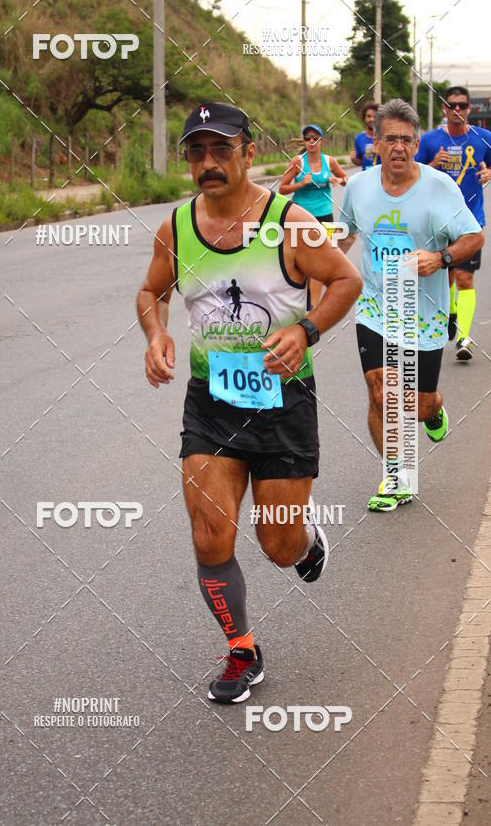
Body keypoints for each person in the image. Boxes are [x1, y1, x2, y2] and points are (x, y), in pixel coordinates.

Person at [137, 102, 362, 703]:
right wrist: (157, 333)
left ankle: (307, 541)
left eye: (220, 149)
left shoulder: (290, 222)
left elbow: (346, 281)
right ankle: (242, 649)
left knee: (278, 547)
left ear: (247, 152)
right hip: (211, 405)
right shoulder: (176, 228)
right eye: (196, 152)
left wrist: (306, 331)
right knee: (210, 536)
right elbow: (150, 290)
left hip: (285, 403)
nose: (208, 163)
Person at [339, 98, 483, 512]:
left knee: (417, 405)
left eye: (406, 139)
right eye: (390, 139)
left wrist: (440, 259)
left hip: (425, 315)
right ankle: (396, 476)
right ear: (376, 143)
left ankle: (434, 408)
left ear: (416, 142)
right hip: (376, 307)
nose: (399, 147)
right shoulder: (359, 186)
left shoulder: (439, 186)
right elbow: (344, 237)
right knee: (381, 390)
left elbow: (474, 238)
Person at [415, 86, 491, 360]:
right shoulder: (430, 140)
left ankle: (464, 338)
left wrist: (489, 173)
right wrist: (433, 164)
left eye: (462, 105)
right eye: (451, 105)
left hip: (470, 220)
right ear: (444, 109)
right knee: (444, 275)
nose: (457, 110)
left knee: (464, 277)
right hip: (436, 220)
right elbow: (413, 173)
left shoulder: (484, 138)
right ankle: (453, 312)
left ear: (469, 108)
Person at [279, 124, 349, 304]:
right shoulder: (297, 162)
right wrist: (300, 184)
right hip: (301, 215)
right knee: (300, 260)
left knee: (322, 259)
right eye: (307, 138)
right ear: (304, 141)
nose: (311, 142)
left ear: (321, 141)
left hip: (325, 215)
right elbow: (282, 189)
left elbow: (346, 180)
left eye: (315, 138)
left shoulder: (330, 161)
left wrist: (338, 180)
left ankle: (313, 306)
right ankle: (299, 300)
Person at [351, 102, 380, 170]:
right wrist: (354, 159)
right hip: (366, 178)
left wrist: (380, 154)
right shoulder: (358, 138)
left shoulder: (385, 137)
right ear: (364, 118)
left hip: (382, 177)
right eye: (369, 116)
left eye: (375, 117)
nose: (372, 119)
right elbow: (361, 162)